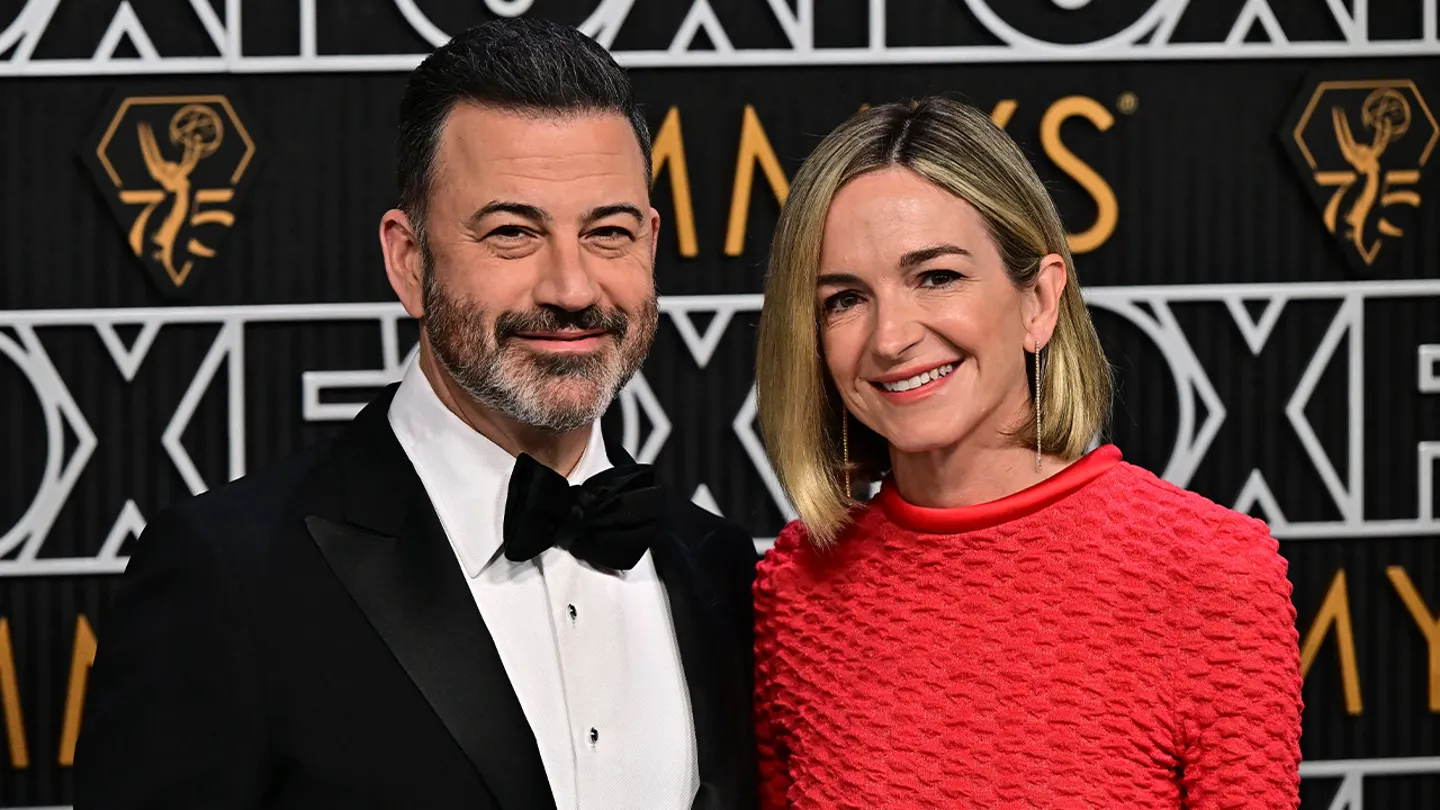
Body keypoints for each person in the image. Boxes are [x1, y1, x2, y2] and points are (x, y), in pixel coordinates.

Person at [74, 18, 759, 810]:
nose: (572, 289)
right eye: (512, 233)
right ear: (408, 261)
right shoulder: (228, 575)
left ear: (651, 245)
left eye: (609, 233)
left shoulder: (719, 570)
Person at [751, 97, 1303, 808]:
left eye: (937, 277)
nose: (890, 338)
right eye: (845, 299)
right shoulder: (796, 589)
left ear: (1039, 301)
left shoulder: (1211, 571)